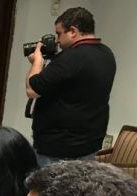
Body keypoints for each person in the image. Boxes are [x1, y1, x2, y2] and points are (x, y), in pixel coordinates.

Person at [25, 7, 115, 166]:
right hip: (89, 144)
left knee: (49, 190)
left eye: (59, 34)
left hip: (58, 148)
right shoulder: (107, 54)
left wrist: (37, 62)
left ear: (73, 31)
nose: (57, 41)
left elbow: (32, 90)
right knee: (76, 189)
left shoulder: (70, 57)